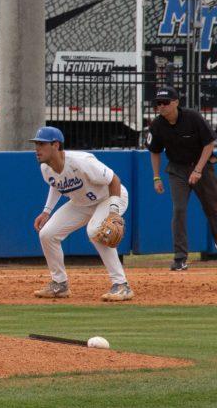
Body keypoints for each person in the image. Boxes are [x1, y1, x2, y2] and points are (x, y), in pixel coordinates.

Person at [29, 126, 133, 302]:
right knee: (48, 234)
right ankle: (59, 284)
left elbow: (114, 180)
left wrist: (113, 213)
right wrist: (46, 212)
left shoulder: (81, 161)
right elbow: (56, 184)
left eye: (41, 144)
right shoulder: (46, 168)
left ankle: (122, 285)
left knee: (94, 232)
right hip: (82, 203)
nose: (37, 149)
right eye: (36, 144)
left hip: (110, 197)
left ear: (55, 145)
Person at [147, 86, 217, 271]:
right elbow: (154, 151)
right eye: (158, 103)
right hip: (177, 169)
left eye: (165, 102)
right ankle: (180, 257)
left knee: (213, 208)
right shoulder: (157, 125)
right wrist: (156, 177)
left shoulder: (192, 117)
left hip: (201, 166)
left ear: (176, 102)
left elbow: (209, 143)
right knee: (179, 210)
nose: (161, 106)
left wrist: (198, 170)